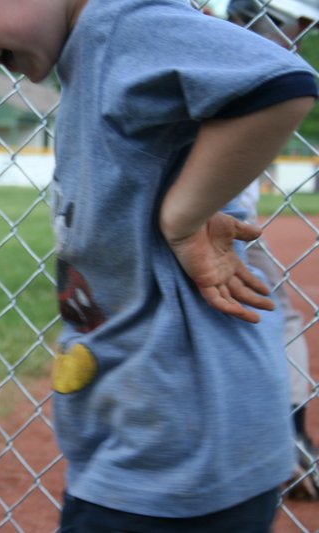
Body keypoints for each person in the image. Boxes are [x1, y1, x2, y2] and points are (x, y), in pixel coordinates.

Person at [0, 0, 316, 530]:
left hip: (182, 451)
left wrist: (182, 216)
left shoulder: (122, 25)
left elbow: (281, 83)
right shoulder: (89, 50)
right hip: (145, 441)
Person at [226, 0, 319, 500]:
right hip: (224, 223)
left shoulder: (201, 47)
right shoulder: (261, 66)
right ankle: (292, 436)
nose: (297, 38)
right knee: (279, 316)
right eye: (293, 26)